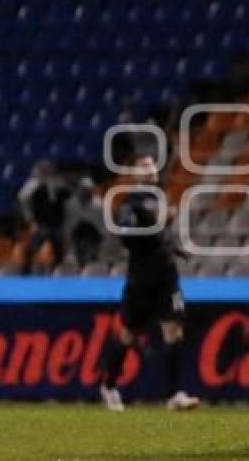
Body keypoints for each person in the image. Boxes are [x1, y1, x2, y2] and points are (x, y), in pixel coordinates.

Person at [99, 154, 199, 412]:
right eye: (143, 165)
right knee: (127, 334)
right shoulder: (129, 205)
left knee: (174, 330)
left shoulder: (159, 198)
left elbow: (159, 236)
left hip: (166, 276)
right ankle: (109, 384)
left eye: (152, 164)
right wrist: (158, 225)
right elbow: (128, 237)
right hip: (142, 279)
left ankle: (174, 394)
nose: (151, 168)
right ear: (134, 174)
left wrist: (173, 248)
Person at [18, 159, 71, 274]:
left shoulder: (58, 183)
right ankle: (25, 272)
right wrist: (31, 221)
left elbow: (67, 198)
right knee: (33, 249)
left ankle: (57, 272)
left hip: (56, 223)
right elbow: (23, 200)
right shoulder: (33, 185)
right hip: (41, 223)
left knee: (59, 251)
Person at [63, 176, 109, 268]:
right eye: (83, 189)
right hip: (76, 236)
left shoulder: (98, 204)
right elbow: (68, 225)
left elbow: (102, 226)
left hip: (94, 236)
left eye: (88, 190)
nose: (85, 192)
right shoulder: (71, 204)